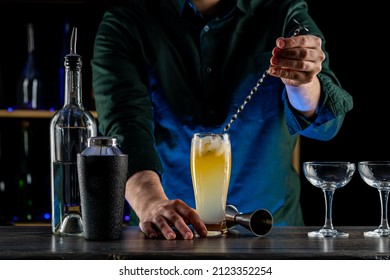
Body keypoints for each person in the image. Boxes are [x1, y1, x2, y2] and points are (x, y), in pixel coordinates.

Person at [91, 0, 353, 240]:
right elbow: (125, 124)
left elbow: (326, 126)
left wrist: (302, 83)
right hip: (169, 236)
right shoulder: (126, 22)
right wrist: (150, 202)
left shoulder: (283, 13)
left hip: (269, 235)